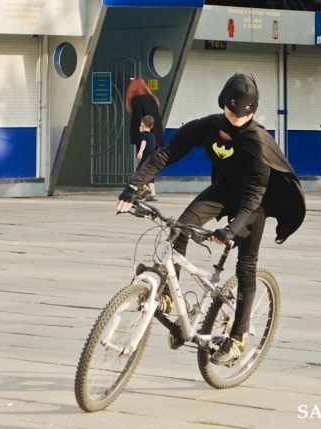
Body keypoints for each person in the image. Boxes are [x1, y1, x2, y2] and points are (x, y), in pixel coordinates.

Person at [116, 74, 306, 366]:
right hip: (224, 190)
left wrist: (231, 229)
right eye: (232, 113)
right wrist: (134, 186)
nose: (237, 120)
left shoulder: (258, 143)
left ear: (252, 112)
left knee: (246, 266)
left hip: (254, 204)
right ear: (223, 104)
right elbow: (167, 154)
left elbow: (255, 194)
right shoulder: (207, 127)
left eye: (244, 116)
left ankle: (237, 338)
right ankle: (167, 294)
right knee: (180, 228)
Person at [136, 116, 158, 201]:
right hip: (153, 158)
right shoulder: (152, 135)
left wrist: (140, 151)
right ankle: (153, 195)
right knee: (150, 177)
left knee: (139, 173)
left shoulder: (142, 135)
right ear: (152, 126)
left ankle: (145, 187)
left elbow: (144, 142)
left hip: (145, 157)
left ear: (142, 124)